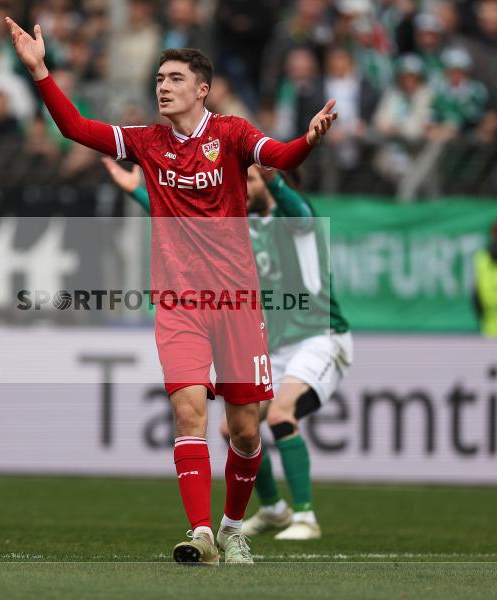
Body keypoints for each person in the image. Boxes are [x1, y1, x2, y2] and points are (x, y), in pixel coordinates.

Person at [6, 17, 337, 564]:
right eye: (160, 78)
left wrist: (308, 139)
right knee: (188, 414)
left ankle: (233, 527)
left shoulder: (231, 133)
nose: (163, 86)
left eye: (175, 78)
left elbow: (280, 158)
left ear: (202, 89)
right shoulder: (147, 141)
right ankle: (201, 533)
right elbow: (75, 127)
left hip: (237, 303)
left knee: (245, 431)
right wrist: (41, 71)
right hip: (180, 304)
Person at [102, 159, 352, 541]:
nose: (241, 187)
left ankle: (306, 516)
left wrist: (276, 182)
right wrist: (138, 191)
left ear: (268, 182)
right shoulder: (238, 227)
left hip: (320, 337)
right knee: (231, 429)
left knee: (280, 414)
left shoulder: (295, 218)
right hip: (277, 347)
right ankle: (274, 509)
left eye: (249, 179)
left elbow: (299, 213)